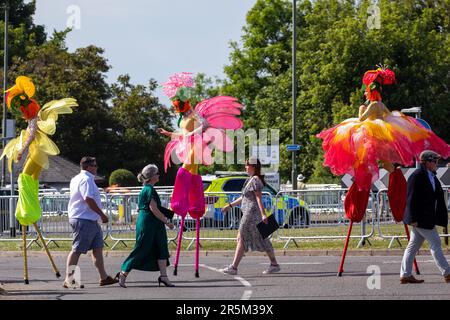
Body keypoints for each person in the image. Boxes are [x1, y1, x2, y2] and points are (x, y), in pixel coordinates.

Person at [116, 164, 175, 288]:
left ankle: (164, 277)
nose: (159, 175)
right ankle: (123, 273)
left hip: (154, 223)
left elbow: (144, 207)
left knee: (162, 248)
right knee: (142, 248)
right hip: (149, 223)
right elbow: (153, 208)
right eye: (157, 173)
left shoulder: (147, 189)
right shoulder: (149, 189)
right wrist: (167, 222)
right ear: (152, 176)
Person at [64, 157, 118, 288]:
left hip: (89, 219)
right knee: (77, 249)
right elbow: (88, 198)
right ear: (88, 166)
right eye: (94, 165)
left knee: (97, 248)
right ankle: (69, 279)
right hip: (84, 218)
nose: (96, 167)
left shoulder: (77, 178)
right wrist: (102, 214)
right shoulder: (86, 179)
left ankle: (103, 277)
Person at [220, 157, 280, 275]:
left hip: (251, 213)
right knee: (261, 238)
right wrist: (230, 205)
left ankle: (234, 267)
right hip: (248, 211)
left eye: (247, 165)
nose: (245, 167)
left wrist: (263, 214)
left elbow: (258, 198)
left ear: (253, 166)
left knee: (242, 237)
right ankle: (274, 264)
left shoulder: (255, 179)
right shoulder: (250, 179)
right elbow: (244, 197)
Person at [400, 150, 450, 284]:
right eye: (434, 161)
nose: (436, 163)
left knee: (412, 247)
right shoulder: (417, 176)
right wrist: (412, 218)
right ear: (427, 162)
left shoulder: (431, 176)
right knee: (436, 244)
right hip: (421, 219)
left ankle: (405, 275)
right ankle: (447, 273)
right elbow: (410, 199)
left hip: (427, 217)